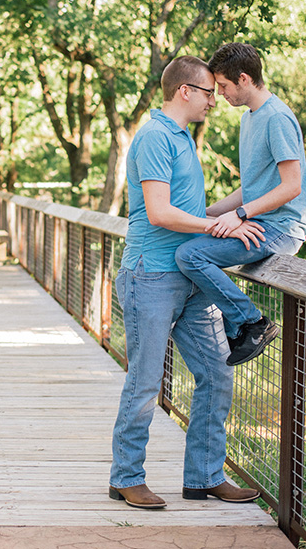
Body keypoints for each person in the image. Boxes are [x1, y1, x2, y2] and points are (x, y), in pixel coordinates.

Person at [109, 55, 263, 510]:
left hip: (189, 278)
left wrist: (242, 209)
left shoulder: (180, 138)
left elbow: (192, 211)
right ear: (186, 91)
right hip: (150, 276)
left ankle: (204, 477)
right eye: (209, 92)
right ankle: (126, 478)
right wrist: (222, 230)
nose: (215, 100)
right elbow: (159, 213)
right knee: (145, 382)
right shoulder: (156, 136)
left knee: (216, 374)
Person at [175, 43, 306, 366]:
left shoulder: (276, 118)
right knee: (189, 241)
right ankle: (237, 324)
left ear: (245, 79)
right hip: (259, 222)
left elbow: (292, 187)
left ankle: (253, 323)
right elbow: (250, 189)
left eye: (223, 86)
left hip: (282, 228)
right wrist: (206, 214)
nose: (219, 94)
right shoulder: (250, 119)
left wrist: (239, 215)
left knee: (190, 255)